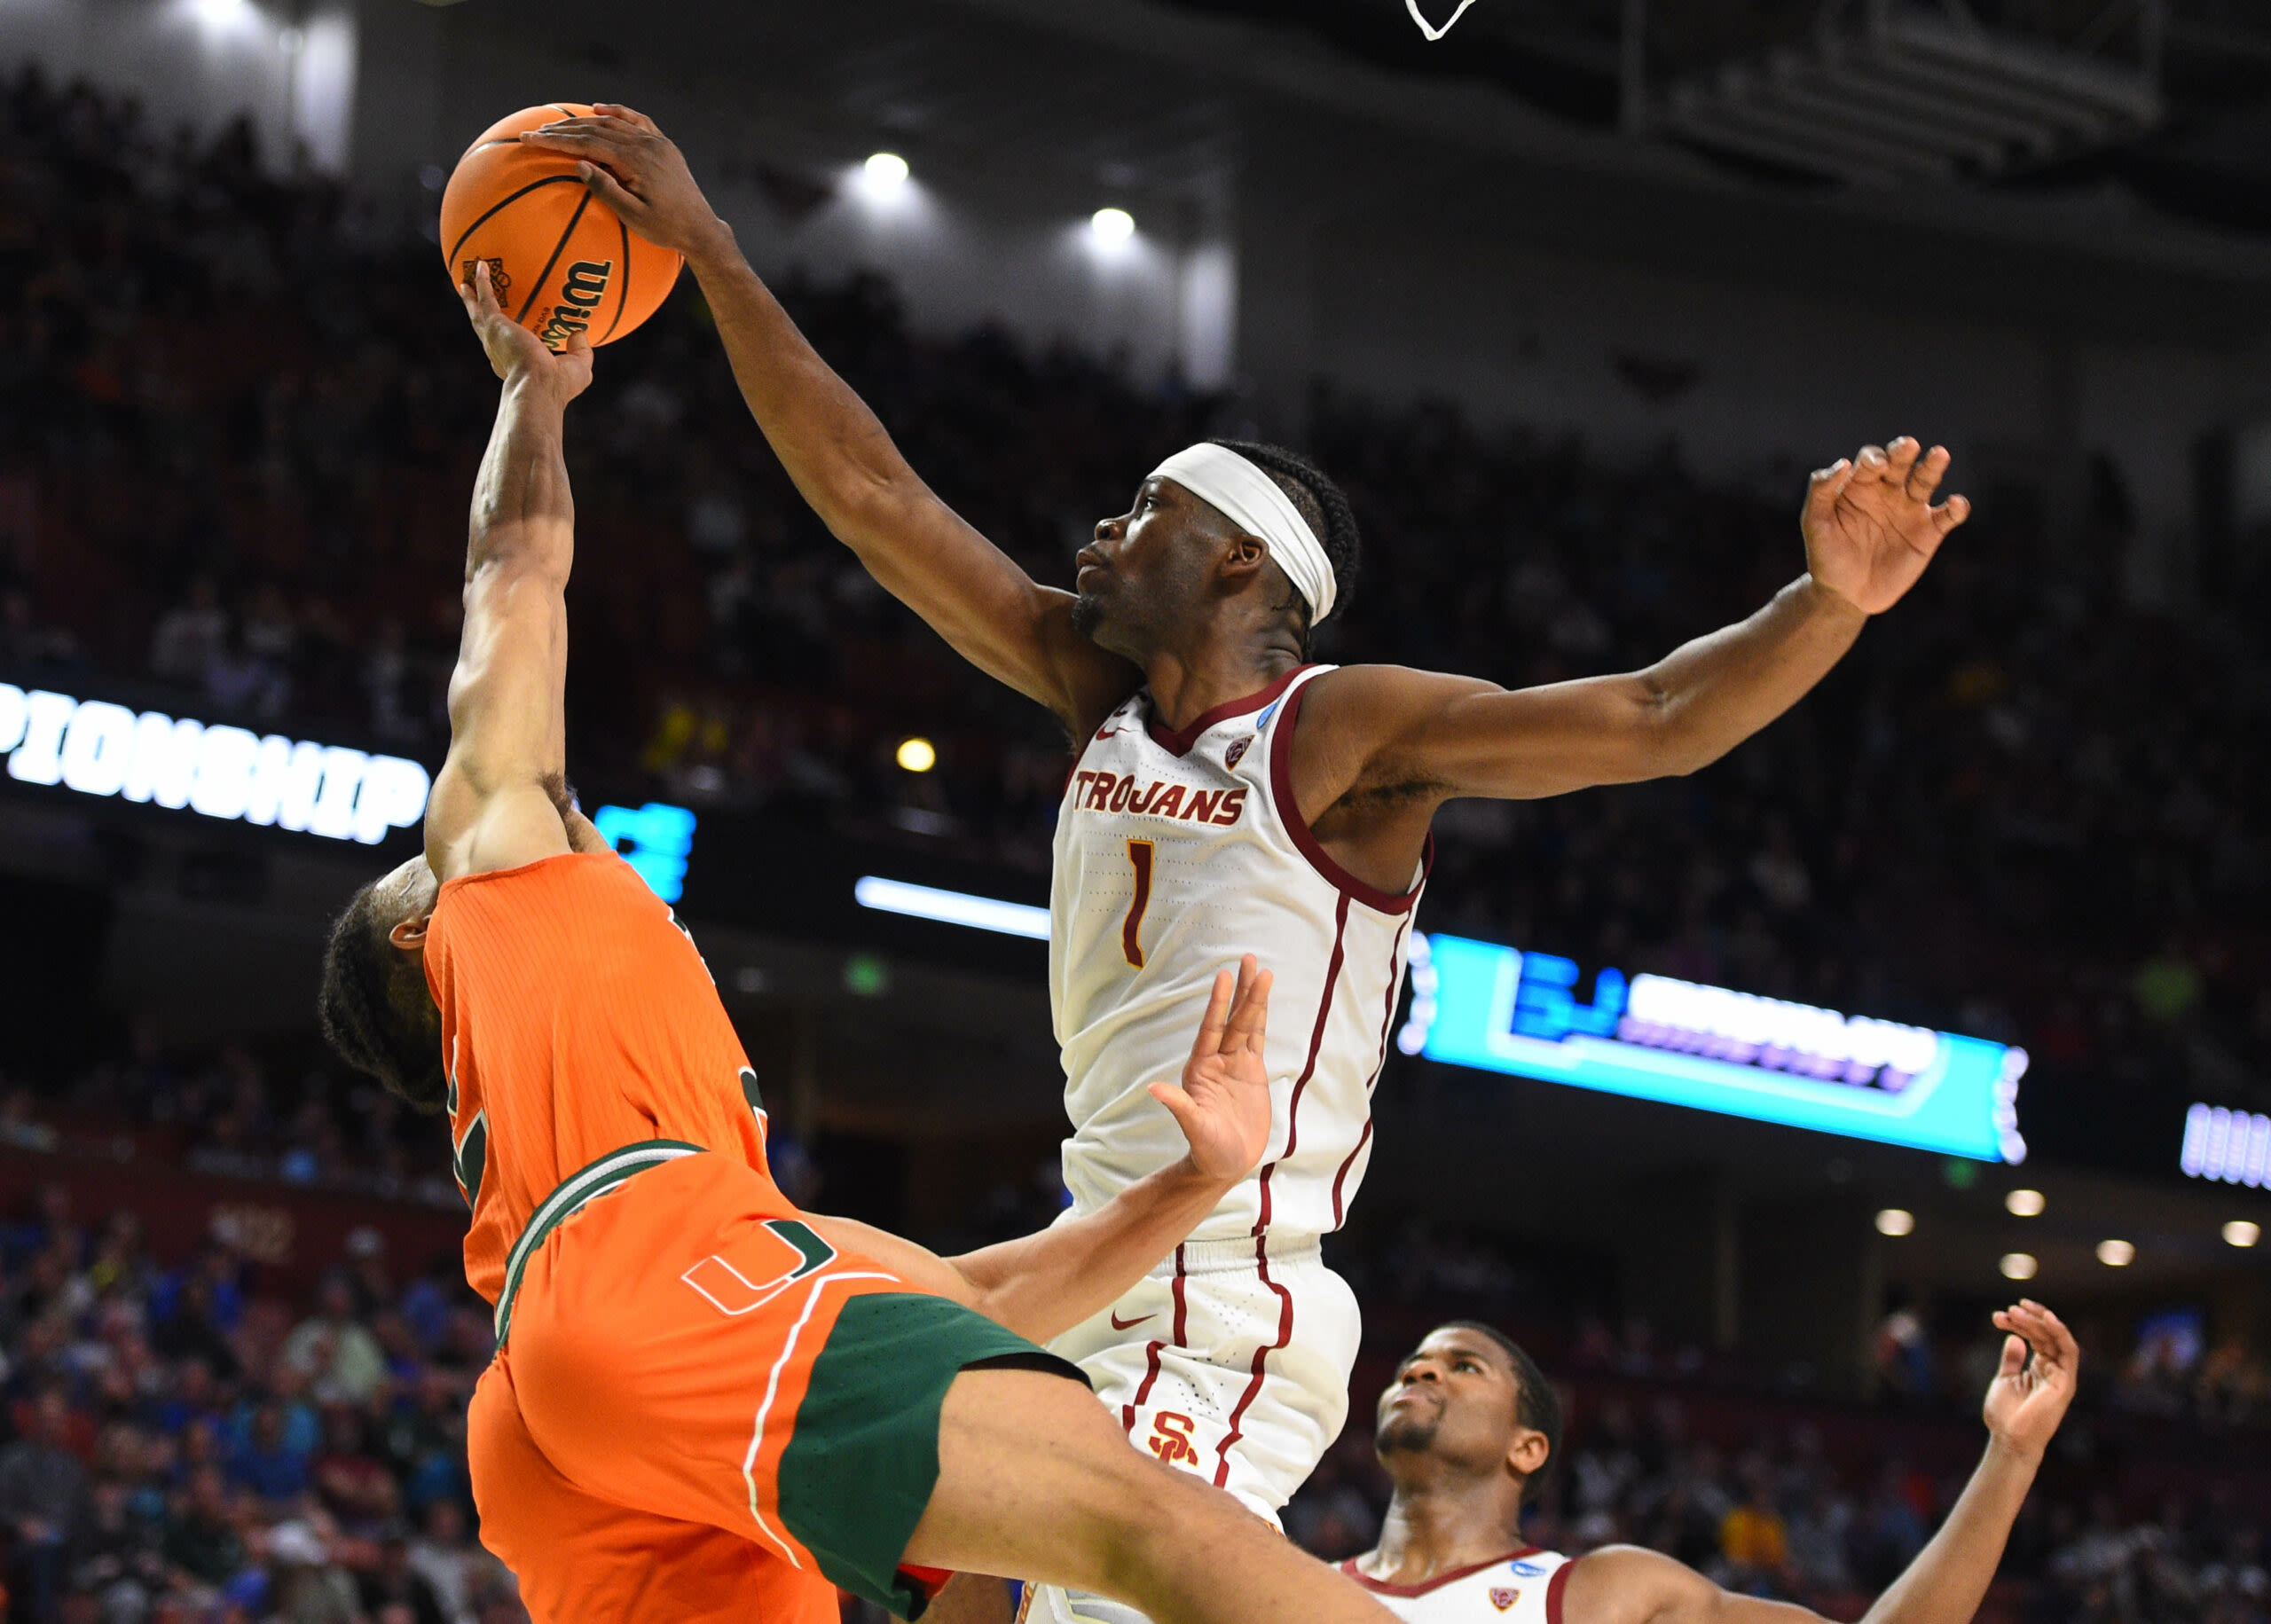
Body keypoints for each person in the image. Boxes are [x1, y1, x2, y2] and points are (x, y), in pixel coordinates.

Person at [517, 106, 1976, 1624]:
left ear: (1240, 562)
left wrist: (1825, 605)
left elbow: (1659, 718)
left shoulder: (1340, 736)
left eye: (1147, 506)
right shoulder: (1103, 698)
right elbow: (876, 502)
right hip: (1083, 1257)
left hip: (1225, 1293)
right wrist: (716, 254)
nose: (1100, 527)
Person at [312, 263, 1403, 1624]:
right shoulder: (499, 877)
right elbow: (514, 572)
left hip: (560, 1394)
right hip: (642, 1285)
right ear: (425, 925)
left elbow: (958, 1295)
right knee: (1140, 1519)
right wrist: (535, 395)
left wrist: (1188, 1191)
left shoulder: (676, 1142)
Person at [1340, 1304, 2078, 1622]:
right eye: (1411, 1365)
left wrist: (2011, 1455)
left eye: (1461, 1365)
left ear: (1527, 1446)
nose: (1419, 1374)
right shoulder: (1298, 1583)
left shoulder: (1610, 1592)